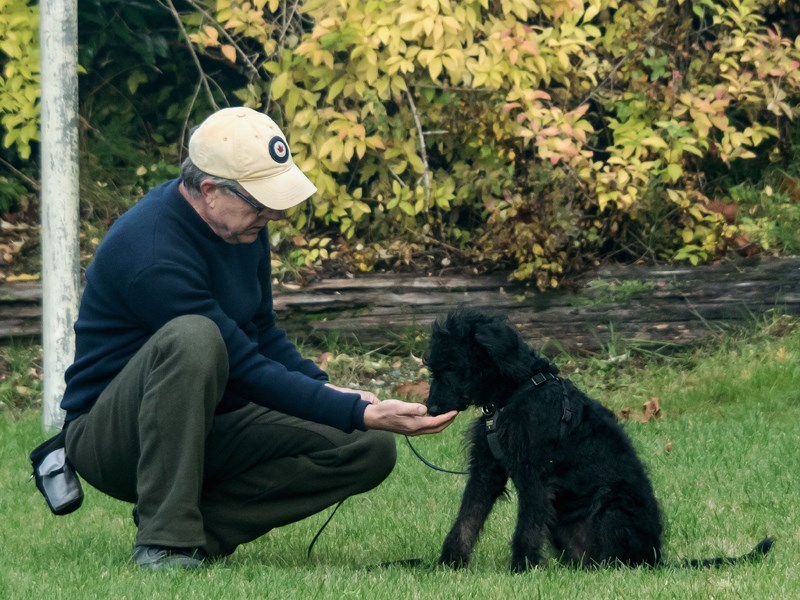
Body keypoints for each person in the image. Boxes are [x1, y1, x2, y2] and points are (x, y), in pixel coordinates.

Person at [61, 106, 457, 571]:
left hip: (209, 420)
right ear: (210, 191)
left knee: (366, 447)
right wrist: (360, 410)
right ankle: (165, 541)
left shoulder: (241, 229)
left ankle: (197, 530)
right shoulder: (150, 252)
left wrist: (327, 388)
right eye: (260, 202)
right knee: (195, 337)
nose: (275, 213)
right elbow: (242, 364)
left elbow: (261, 332)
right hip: (114, 437)